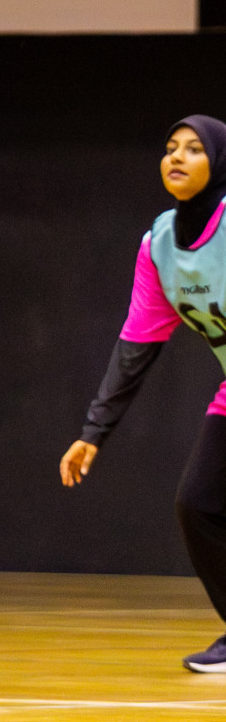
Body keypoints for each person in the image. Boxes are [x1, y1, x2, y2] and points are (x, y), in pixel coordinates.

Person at [63, 115, 226, 674]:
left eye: (194, 149)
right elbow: (136, 346)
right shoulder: (158, 245)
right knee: (198, 503)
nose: (177, 157)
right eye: (170, 148)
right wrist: (94, 433)